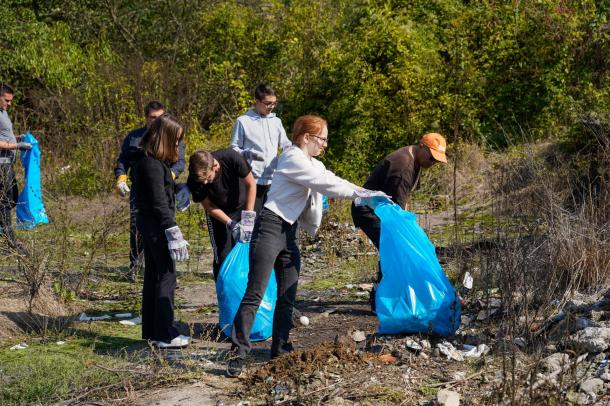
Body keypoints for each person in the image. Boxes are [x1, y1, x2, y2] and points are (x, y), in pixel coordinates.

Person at [226, 115, 386, 377]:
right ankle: (238, 353)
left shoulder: (312, 162)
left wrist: (366, 192)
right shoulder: (291, 157)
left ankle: (280, 348)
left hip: (288, 231)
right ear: (306, 137)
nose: (324, 145)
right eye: (322, 139)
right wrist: (361, 194)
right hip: (269, 227)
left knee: (288, 292)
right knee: (256, 292)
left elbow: (331, 176)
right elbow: (326, 184)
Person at [351, 133, 448, 312]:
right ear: (422, 147)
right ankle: (383, 297)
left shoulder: (415, 159)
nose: (433, 163)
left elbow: (403, 200)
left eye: (437, 160)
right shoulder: (403, 167)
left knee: (393, 247)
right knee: (393, 248)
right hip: (368, 211)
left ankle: (389, 293)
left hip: (382, 209)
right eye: (432, 158)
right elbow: (397, 210)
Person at [132, 113, 190, 349]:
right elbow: (157, 202)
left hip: (152, 223)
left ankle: (153, 331)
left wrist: (179, 189)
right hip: (156, 225)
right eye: (175, 140)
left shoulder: (151, 161)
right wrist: (172, 230)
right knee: (166, 274)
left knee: (155, 275)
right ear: (164, 138)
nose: (177, 145)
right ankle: (165, 333)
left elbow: (161, 190)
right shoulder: (151, 164)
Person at [114, 101, 186, 281]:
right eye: (153, 117)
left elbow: (180, 162)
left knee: (164, 223)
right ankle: (136, 265)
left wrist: (168, 177)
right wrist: (121, 176)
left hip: (164, 189)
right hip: (140, 190)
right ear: (146, 117)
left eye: (160, 117)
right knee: (137, 228)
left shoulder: (172, 135)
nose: (156, 121)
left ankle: (162, 265)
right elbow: (123, 160)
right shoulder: (134, 137)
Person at [186, 148, 257, 280]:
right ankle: (224, 294)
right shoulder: (195, 179)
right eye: (203, 181)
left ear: (215, 166)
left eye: (207, 178)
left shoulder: (231, 157)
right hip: (217, 214)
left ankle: (246, 290)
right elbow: (208, 206)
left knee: (249, 250)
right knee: (223, 255)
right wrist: (231, 224)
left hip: (241, 207)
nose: (205, 183)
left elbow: (251, 184)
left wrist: (248, 219)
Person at [230, 84, 292, 212]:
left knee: (268, 221)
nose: (271, 107)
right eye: (267, 103)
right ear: (257, 102)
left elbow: (286, 145)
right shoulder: (243, 121)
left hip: (273, 181)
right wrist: (247, 153)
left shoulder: (276, 122)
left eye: (274, 103)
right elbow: (233, 149)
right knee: (251, 219)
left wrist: (291, 155)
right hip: (251, 181)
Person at [0, 84, 32, 253]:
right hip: (1, 164)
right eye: (7, 100)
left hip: (7, 163)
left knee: (11, 199)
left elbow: (4, 134)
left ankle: (5, 235)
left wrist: (18, 137)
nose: (10, 103)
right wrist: (16, 145)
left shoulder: (3, 112)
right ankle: (10, 241)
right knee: (6, 201)